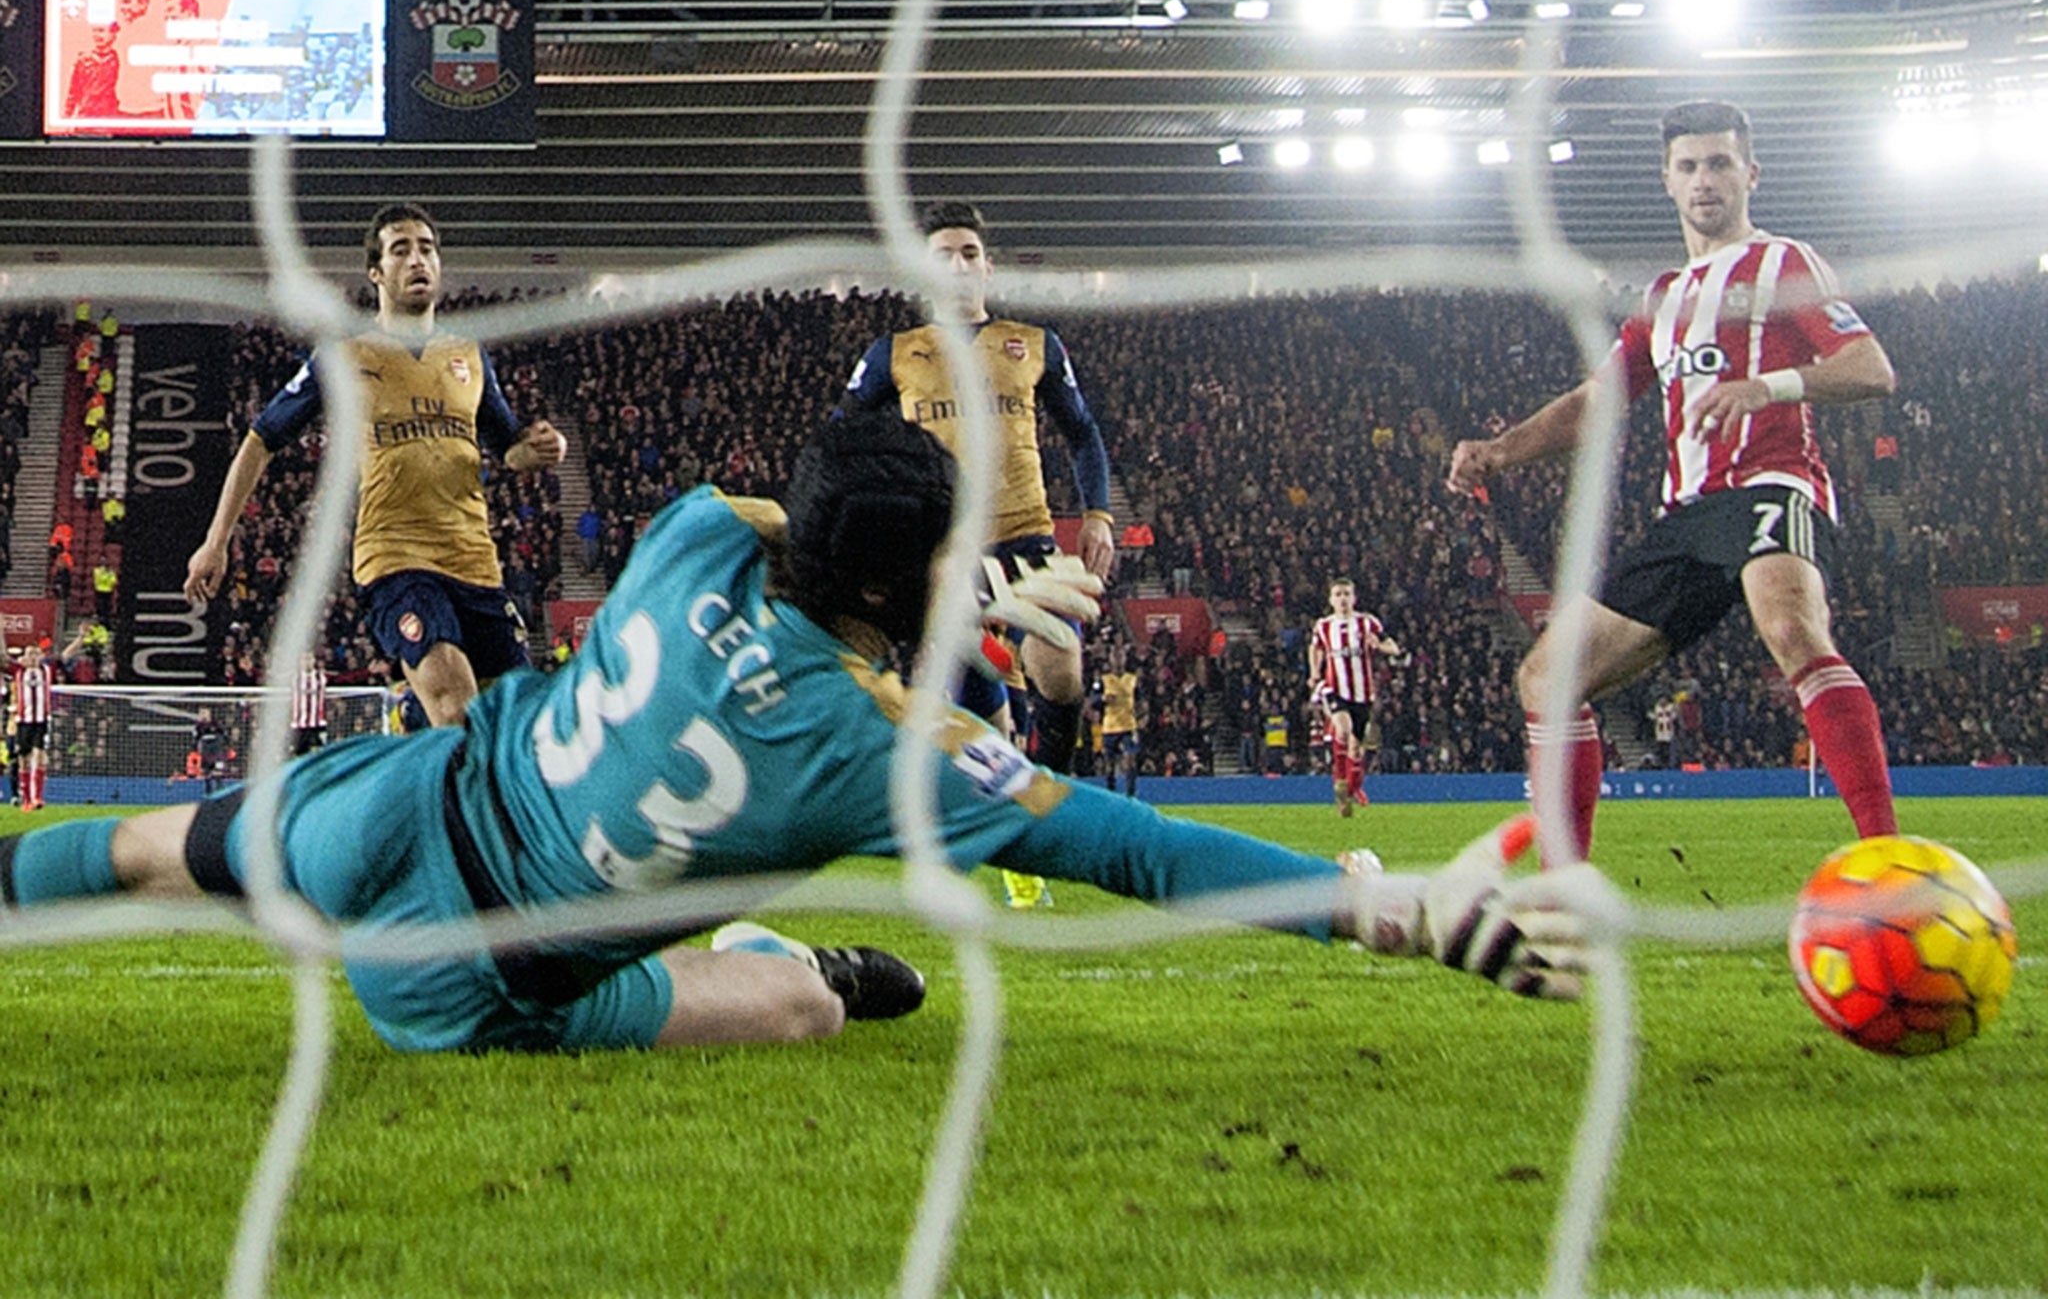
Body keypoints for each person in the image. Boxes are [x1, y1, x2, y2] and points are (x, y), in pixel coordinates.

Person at [0, 414, 1583, 1056]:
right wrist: (1394, 911)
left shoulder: (695, 532)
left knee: (142, 851)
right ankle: (801, 960)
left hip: (393, 804)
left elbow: (791, 523)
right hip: (464, 981)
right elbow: (1142, 850)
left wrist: (944, 589)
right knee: (798, 1015)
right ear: (914, 586)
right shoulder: (879, 749)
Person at [1447, 100, 1900, 858]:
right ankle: (1567, 883)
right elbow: (1599, 401)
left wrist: (1767, 387)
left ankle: (1890, 860)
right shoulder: (1661, 300)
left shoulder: (1783, 263)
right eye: (1688, 166)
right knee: (1546, 678)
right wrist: (1502, 449)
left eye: (1720, 163)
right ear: (1666, 180)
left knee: (1789, 626)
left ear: (1751, 174)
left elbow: (1870, 368)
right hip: (1689, 515)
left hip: (1772, 483)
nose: (1704, 180)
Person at [183, 203, 569, 728]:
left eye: (427, 249)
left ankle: (408, 717)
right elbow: (260, 439)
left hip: (476, 562)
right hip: (396, 559)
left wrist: (542, 448)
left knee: (515, 721)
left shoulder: (468, 356)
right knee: (455, 709)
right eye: (401, 250)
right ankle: (428, 743)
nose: (417, 260)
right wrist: (216, 539)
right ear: (376, 272)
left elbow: (510, 447)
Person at [842, 202, 1118, 910]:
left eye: (970, 252)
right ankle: (1014, 845)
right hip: (941, 552)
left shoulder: (1034, 343)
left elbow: (1083, 435)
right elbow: (842, 442)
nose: (959, 264)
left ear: (987, 263)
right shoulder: (893, 355)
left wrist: (1098, 513)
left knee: (1061, 674)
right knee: (976, 720)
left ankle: (1038, 805)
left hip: (1028, 537)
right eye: (945, 253)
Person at [1307, 578, 1401, 817]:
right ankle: (1340, 782)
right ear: (1331, 600)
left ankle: (1353, 788)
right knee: (1343, 728)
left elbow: (1394, 647)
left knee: (1357, 750)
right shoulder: (1324, 626)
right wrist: (1315, 672)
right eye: (1337, 594)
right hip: (1334, 688)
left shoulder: (1367, 622)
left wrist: (1379, 647)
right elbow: (1315, 648)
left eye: (1347, 593)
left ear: (1354, 598)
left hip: (1362, 694)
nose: (1342, 599)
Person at [9, 644, 52, 812]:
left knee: (40, 755)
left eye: (36, 653)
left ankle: (38, 797)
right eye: (29, 654)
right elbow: (3, 657)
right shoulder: (18, 672)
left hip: (41, 721)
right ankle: (26, 799)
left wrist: (80, 638)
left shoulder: (47, 670)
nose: (33, 657)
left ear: (41, 656)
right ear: (25, 657)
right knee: (23, 760)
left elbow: (64, 655)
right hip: (23, 722)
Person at [1097, 645, 1140, 798]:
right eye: (1115, 656)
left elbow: (1142, 701)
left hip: (1129, 726)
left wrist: (1141, 717)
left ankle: (1131, 795)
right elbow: (1093, 701)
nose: (1118, 660)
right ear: (1110, 659)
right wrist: (1102, 699)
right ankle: (1111, 794)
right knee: (1109, 765)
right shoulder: (1103, 680)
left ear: (1125, 658)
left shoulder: (1132, 679)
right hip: (1110, 727)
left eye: (1121, 656)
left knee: (1130, 760)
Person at [292, 651, 329, 757]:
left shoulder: (321, 677)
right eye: (304, 659)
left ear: (314, 661)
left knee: (320, 755)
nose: (307, 662)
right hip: (299, 725)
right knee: (299, 755)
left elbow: (343, 678)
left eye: (309, 659)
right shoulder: (295, 678)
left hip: (318, 724)